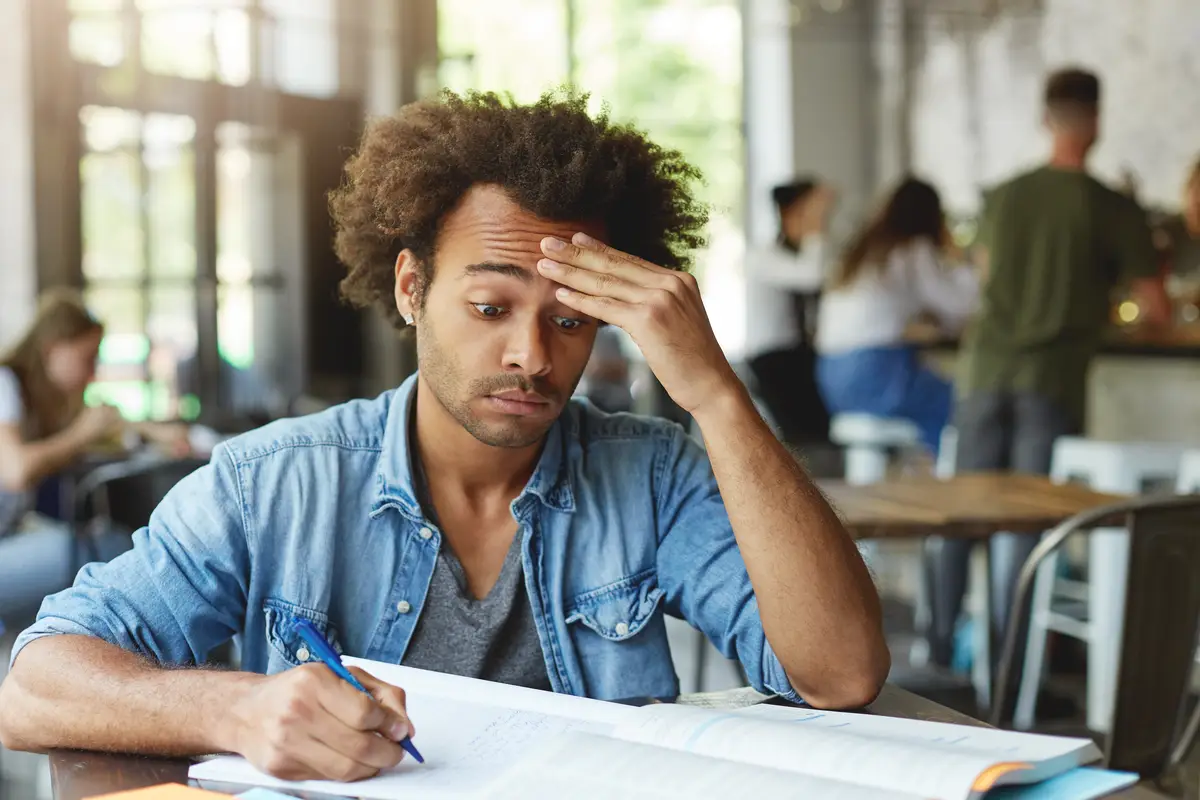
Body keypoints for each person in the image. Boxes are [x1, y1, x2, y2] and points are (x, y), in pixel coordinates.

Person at [0, 91, 888, 783]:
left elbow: (841, 675)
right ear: (411, 289)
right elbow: (33, 687)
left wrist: (717, 397)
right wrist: (236, 709)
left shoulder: (654, 477)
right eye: (491, 307)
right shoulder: (274, 483)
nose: (531, 357)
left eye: (573, 322)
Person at [928, 68, 1170, 679]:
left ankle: (936, 649)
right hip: (1050, 375)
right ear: (1095, 122)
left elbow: (983, 277)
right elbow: (1156, 307)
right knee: (1026, 518)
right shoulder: (1110, 205)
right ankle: (1012, 664)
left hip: (984, 368)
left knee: (960, 509)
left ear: (1046, 117)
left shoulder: (1004, 196)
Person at [815, 178, 978, 454]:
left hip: (833, 379)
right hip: (875, 372)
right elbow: (962, 304)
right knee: (966, 404)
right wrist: (961, 257)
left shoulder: (862, 250)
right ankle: (957, 482)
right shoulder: (913, 249)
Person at [0, 291, 135, 622]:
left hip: (10, 536)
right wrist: (81, 434)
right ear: (53, 348)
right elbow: (16, 471)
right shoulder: (3, 383)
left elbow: (111, 430)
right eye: (88, 357)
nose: (93, 373)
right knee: (109, 549)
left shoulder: (35, 401)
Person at [744, 178, 836, 443]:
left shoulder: (804, 255)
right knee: (807, 438)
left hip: (801, 356)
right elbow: (812, 277)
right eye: (806, 213)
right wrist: (816, 229)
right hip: (774, 360)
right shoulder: (763, 257)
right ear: (787, 214)